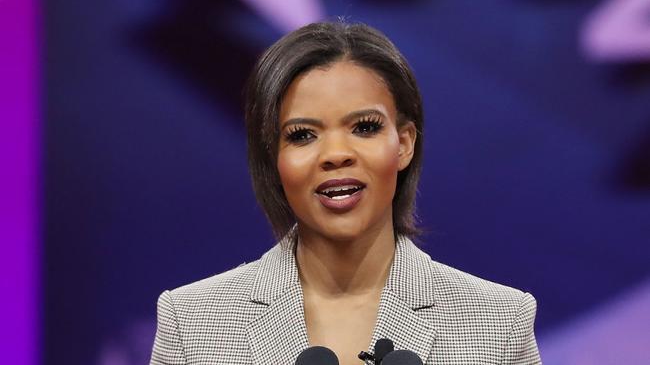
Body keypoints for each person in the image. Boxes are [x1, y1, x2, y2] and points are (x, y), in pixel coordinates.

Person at [149, 21, 541, 365]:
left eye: (365, 128)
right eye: (302, 135)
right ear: (273, 159)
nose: (336, 155)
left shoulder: (498, 323)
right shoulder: (194, 324)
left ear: (404, 143)